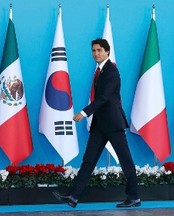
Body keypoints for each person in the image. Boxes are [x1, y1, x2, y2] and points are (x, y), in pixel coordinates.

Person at [53, 38, 140, 208]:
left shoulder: (111, 72)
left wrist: (84, 113)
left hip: (113, 124)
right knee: (88, 161)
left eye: (99, 50)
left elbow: (104, 97)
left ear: (107, 52)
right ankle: (73, 196)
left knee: (125, 161)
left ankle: (134, 197)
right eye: (93, 50)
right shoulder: (100, 71)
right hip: (99, 125)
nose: (96, 53)